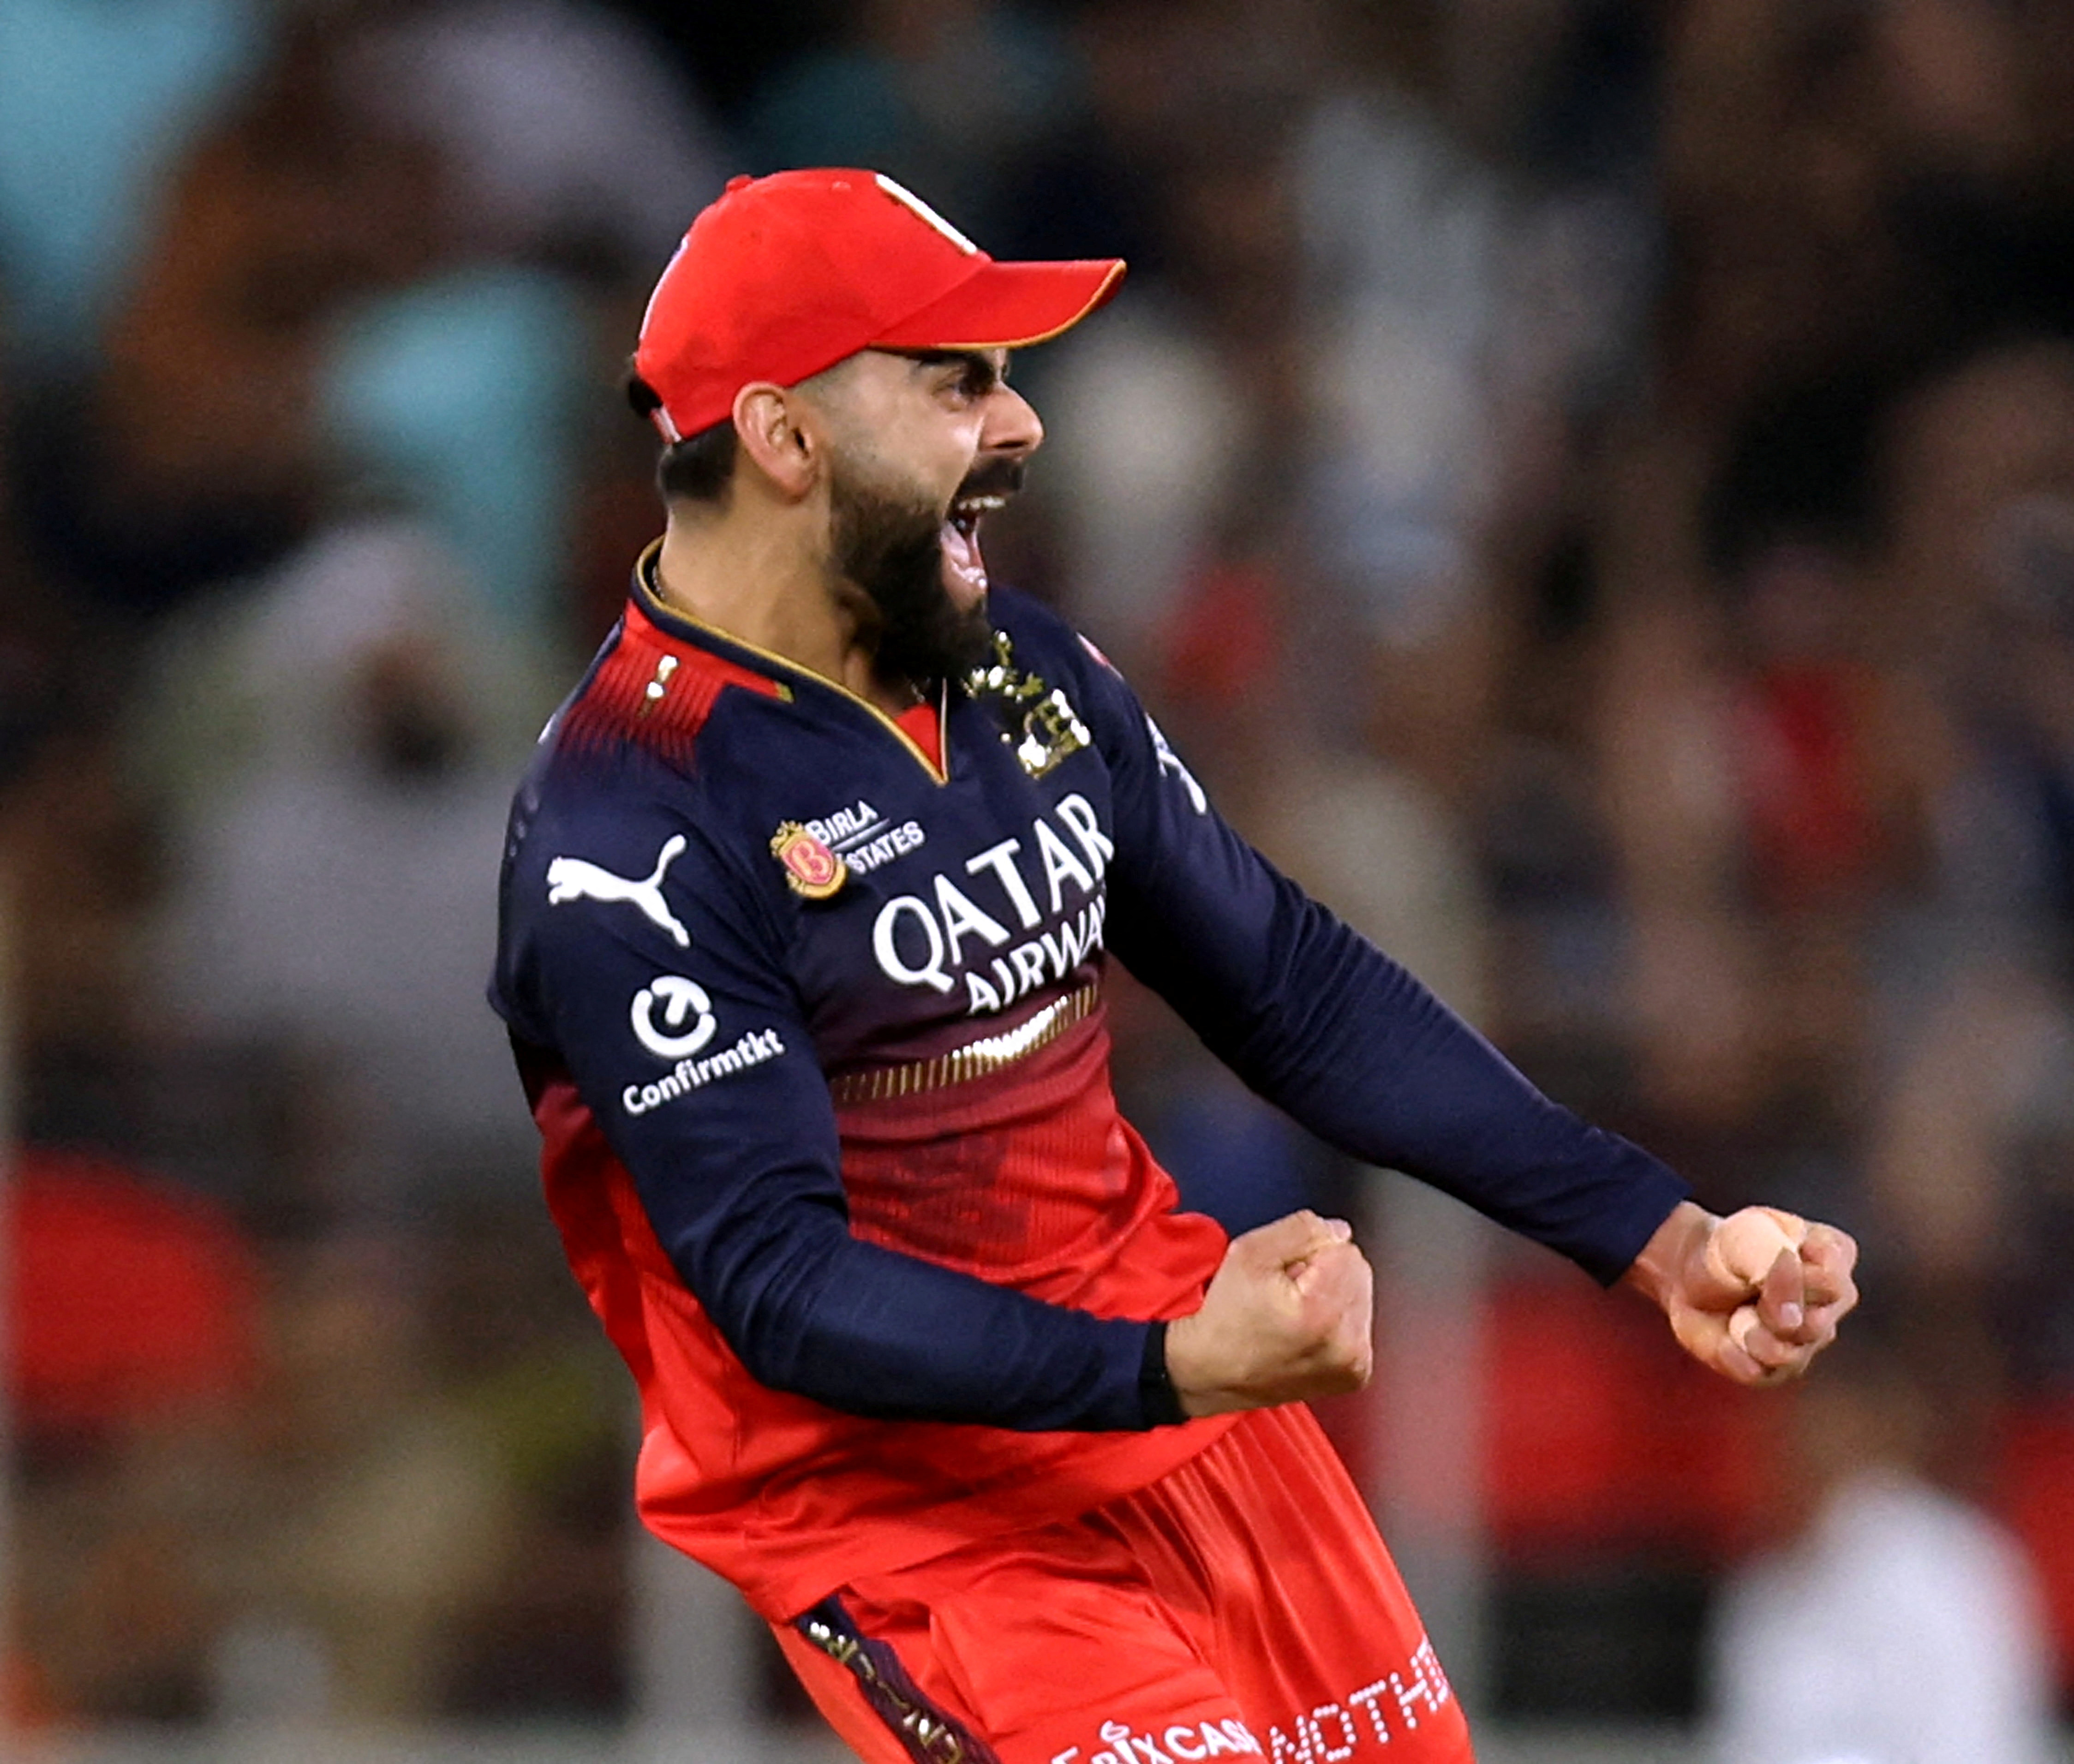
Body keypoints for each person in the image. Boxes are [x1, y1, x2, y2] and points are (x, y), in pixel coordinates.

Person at [488, 168, 1859, 1764]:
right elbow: (780, 1289)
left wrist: (1657, 1233)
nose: (1022, 426)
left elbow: (1289, 982)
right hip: (938, 1527)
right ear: (789, 438)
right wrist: (1166, 1361)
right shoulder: (628, 824)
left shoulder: (1020, 672)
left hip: (1204, 1435)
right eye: (960, 383)